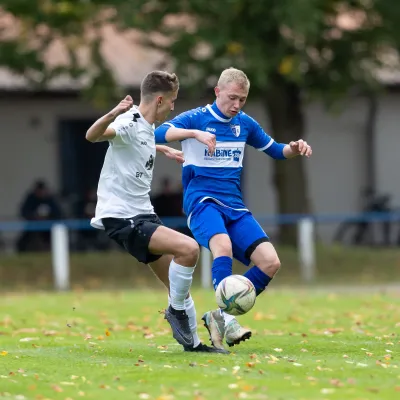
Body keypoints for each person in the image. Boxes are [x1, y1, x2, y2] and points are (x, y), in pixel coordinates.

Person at [155, 67, 313, 351]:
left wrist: (293, 147)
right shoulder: (196, 118)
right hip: (202, 202)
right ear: (218, 92)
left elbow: (276, 150)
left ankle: (221, 315)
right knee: (222, 245)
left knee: (270, 262)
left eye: (242, 99)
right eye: (232, 98)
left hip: (235, 206)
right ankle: (228, 323)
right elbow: (158, 132)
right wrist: (194, 134)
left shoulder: (245, 124)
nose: (237, 105)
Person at [85, 70, 226, 353]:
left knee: (177, 287)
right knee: (189, 249)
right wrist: (113, 112)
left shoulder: (146, 126)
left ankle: (194, 344)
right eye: (172, 101)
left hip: (141, 214)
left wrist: (164, 150)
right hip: (123, 217)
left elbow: (140, 141)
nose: (174, 107)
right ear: (160, 100)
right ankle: (175, 313)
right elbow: (92, 135)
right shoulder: (128, 121)